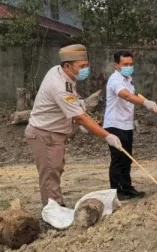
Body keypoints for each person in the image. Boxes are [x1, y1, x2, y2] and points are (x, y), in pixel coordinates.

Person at [25, 44, 123, 207]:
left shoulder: (59, 72)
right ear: (67, 66)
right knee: (50, 175)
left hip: (53, 133)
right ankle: (53, 212)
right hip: (45, 134)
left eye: (86, 65)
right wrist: (107, 135)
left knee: (55, 170)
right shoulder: (59, 86)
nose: (85, 69)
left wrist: (80, 110)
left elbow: (74, 103)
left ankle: (55, 206)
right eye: (81, 66)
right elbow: (80, 117)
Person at [103, 51, 157, 200]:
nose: (128, 67)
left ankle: (126, 187)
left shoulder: (128, 79)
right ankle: (116, 192)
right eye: (125, 64)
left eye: (131, 64)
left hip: (126, 124)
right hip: (115, 125)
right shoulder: (115, 79)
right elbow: (126, 96)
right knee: (118, 159)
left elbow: (129, 102)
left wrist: (133, 120)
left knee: (127, 158)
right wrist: (145, 102)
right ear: (116, 65)